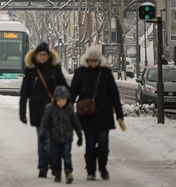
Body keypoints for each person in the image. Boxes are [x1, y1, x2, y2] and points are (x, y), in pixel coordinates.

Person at [70, 46, 126, 181]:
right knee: (89, 146)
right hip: (87, 116)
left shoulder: (106, 72)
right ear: (87, 60)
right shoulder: (80, 72)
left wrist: (120, 116)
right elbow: (72, 93)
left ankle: (102, 167)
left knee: (103, 145)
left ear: (99, 60)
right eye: (90, 61)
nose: (93, 63)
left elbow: (114, 95)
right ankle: (90, 171)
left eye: (95, 61)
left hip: (104, 115)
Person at [19, 42, 68, 178]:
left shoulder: (55, 68)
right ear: (36, 55)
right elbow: (24, 93)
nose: (42, 57)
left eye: (44, 54)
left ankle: (54, 165)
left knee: (53, 140)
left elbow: (63, 87)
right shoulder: (30, 70)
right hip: (37, 111)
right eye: (40, 55)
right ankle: (42, 167)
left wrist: (68, 103)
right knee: (42, 140)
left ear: (48, 55)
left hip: (54, 111)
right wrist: (22, 112)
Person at [40, 85, 83, 184]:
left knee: (67, 155)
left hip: (67, 137)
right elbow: (45, 122)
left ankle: (68, 172)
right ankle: (57, 172)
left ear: (66, 99)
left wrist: (79, 135)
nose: (61, 102)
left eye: (63, 100)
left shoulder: (70, 108)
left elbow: (75, 122)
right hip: (53, 138)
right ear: (55, 99)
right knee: (55, 157)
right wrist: (42, 133)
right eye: (59, 100)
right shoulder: (49, 108)